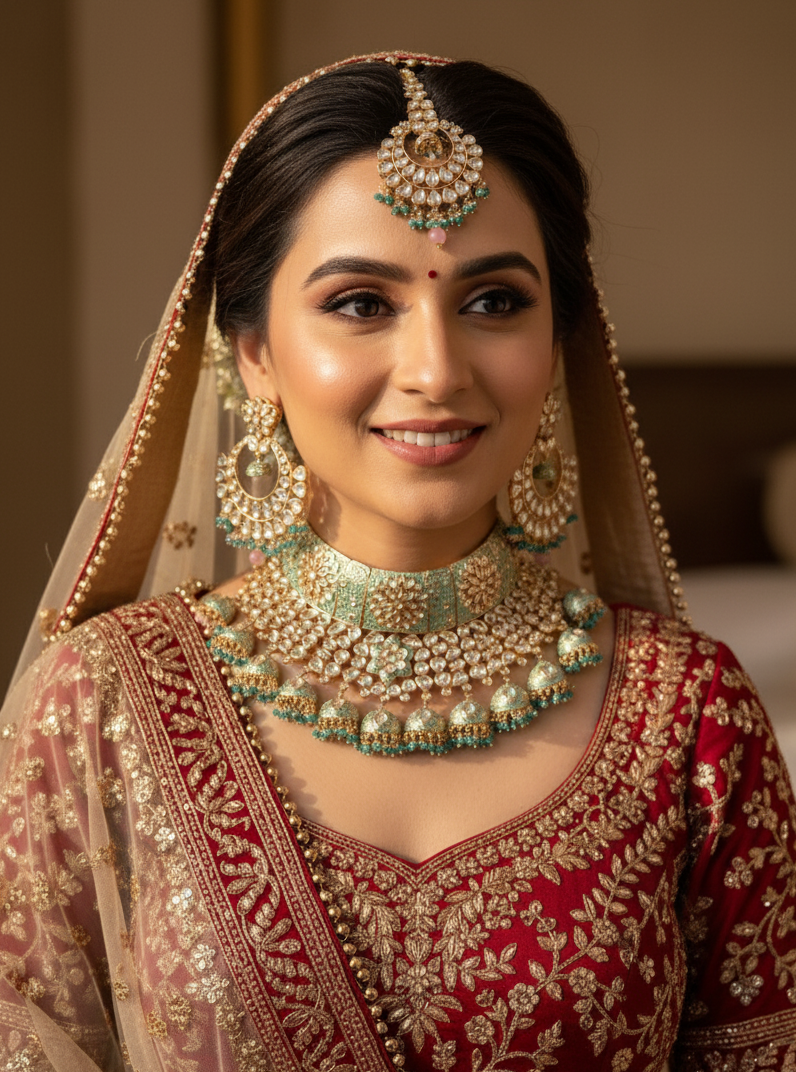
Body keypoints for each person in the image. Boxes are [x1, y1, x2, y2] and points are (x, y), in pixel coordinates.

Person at [0, 52, 793, 1072]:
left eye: (496, 300)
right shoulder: (107, 700)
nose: (435, 368)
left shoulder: (688, 713)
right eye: (361, 303)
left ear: (558, 343)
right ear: (253, 352)